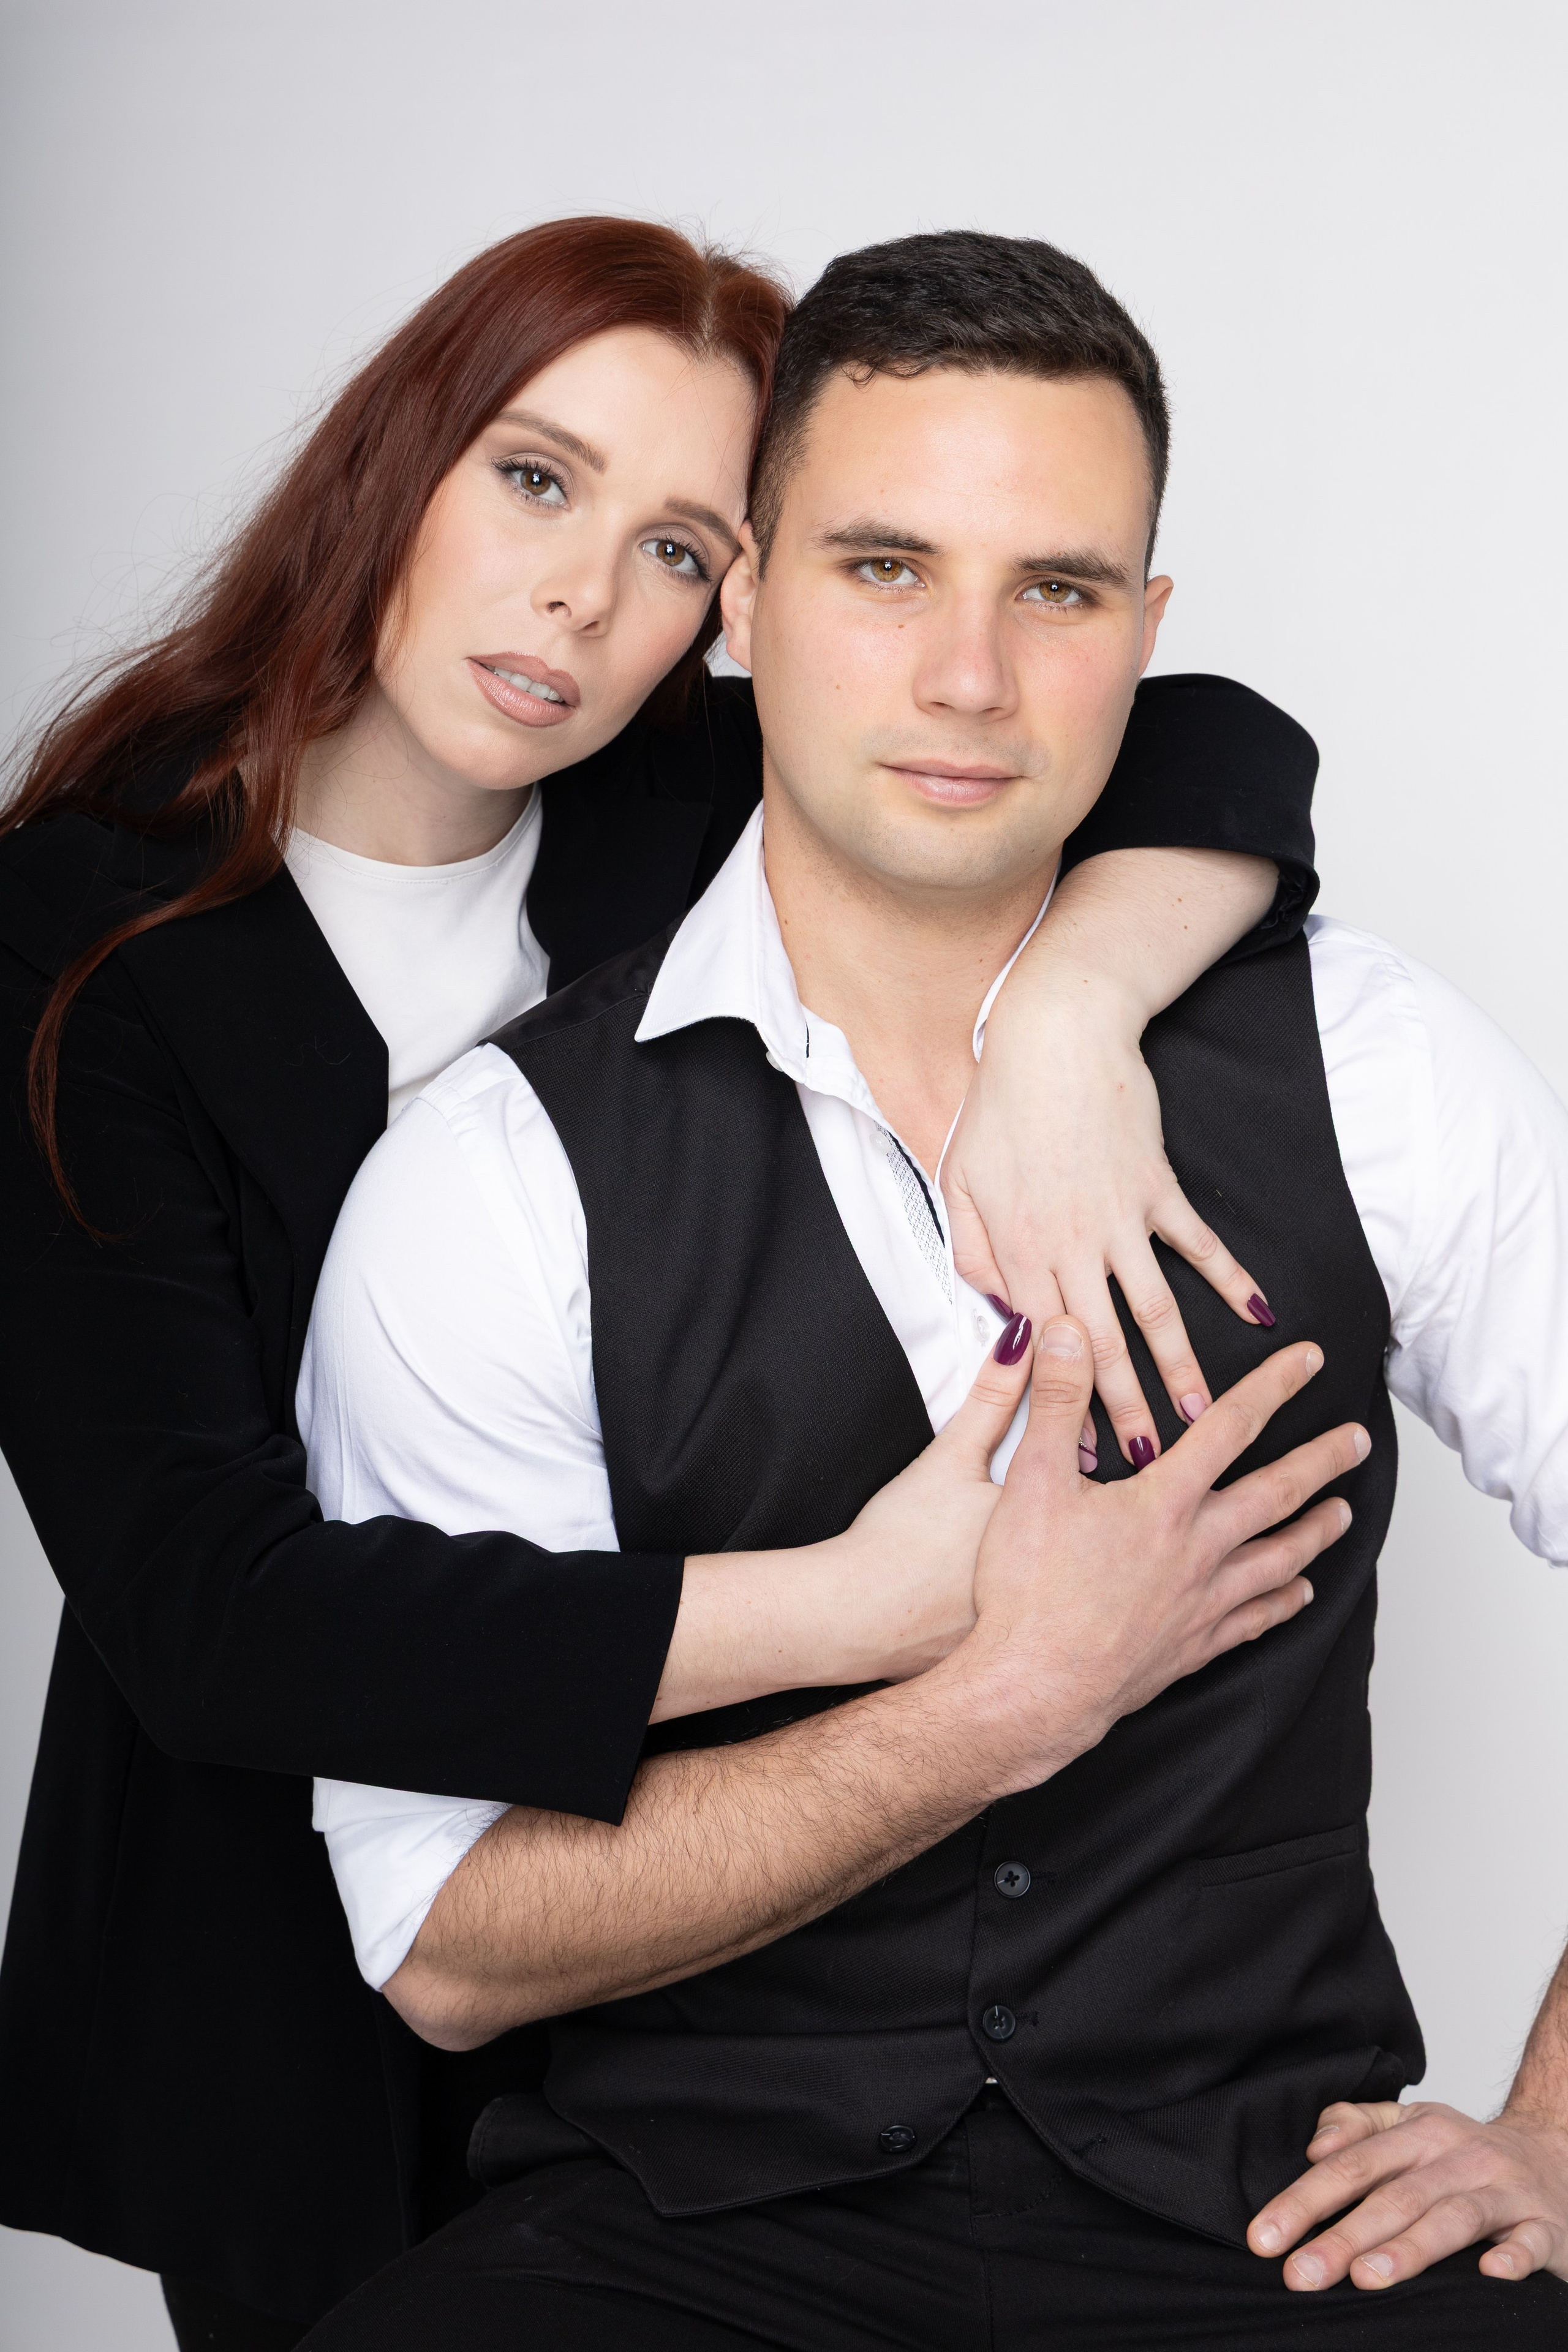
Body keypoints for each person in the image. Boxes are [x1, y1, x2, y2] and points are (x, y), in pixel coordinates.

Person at [0, 217, 1321, 2347]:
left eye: (686, 547)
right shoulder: (80, 936)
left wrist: (1074, 1023)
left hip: (702, 1955)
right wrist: (879, 1612)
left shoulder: (690, 804)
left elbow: (1208, 743)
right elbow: (207, 1612)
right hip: (277, 1960)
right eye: (536, 479)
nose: (585, 599)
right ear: (393, 461)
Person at [296, 231, 1568, 2350]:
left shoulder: (1370, 1060)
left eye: (1056, 592)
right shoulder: (494, 1175)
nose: (970, 677)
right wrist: (989, 1705)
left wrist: (1557, 2134)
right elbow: (443, 1936)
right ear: (752, 596)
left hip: (1280, 2231)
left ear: (1145, 633)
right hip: (686, 2250)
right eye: (885, 569)